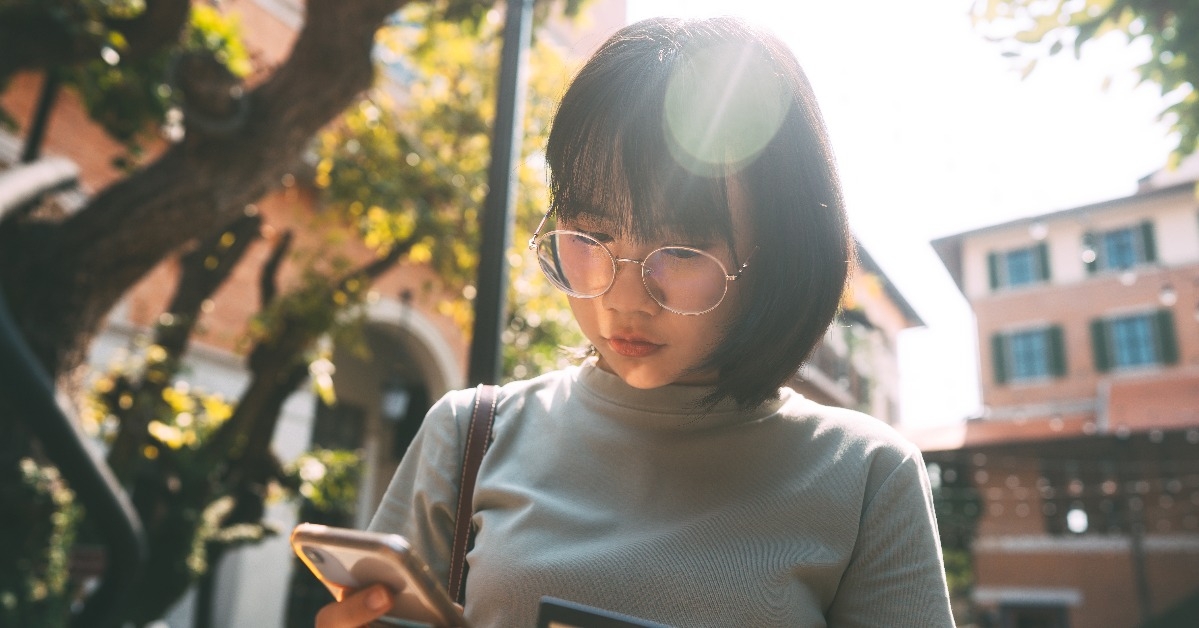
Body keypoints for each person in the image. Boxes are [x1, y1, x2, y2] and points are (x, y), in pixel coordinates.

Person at [318, 15, 954, 628]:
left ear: (777, 253)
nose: (622, 300)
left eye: (682, 251)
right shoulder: (469, 436)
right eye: (589, 237)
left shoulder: (867, 476)